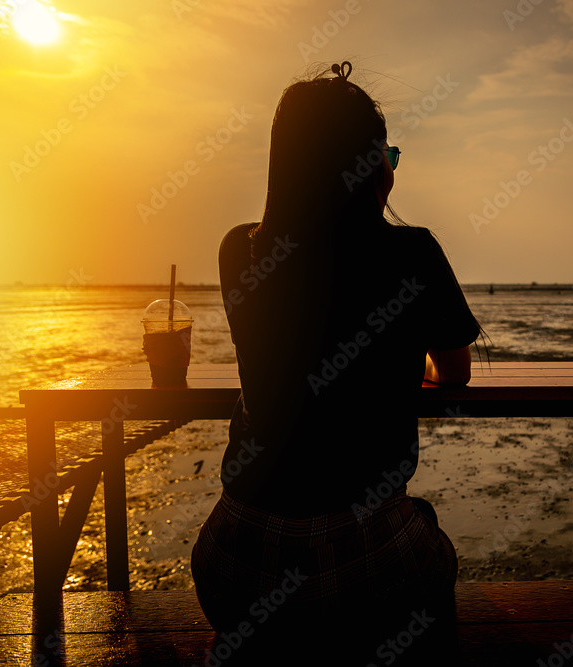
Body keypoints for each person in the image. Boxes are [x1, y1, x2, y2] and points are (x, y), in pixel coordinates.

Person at [190, 62, 481, 657]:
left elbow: (289, 344)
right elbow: (454, 371)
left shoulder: (239, 250)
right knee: (431, 556)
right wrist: (410, 360)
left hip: (236, 565)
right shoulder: (414, 252)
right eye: (387, 154)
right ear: (370, 162)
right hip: (365, 556)